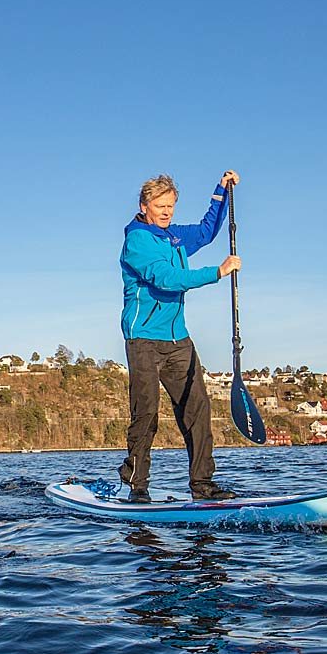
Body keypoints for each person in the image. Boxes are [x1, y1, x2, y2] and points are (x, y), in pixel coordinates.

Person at [118, 171, 241, 502]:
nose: (167, 211)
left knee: (197, 409)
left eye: (171, 205)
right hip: (143, 338)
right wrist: (216, 272)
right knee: (146, 412)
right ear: (145, 206)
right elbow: (167, 278)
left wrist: (221, 192)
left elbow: (205, 231)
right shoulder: (137, 242)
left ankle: (203, 485)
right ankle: (136, 486)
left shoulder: (172, 237)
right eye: (160, 205)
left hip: (178, 340)